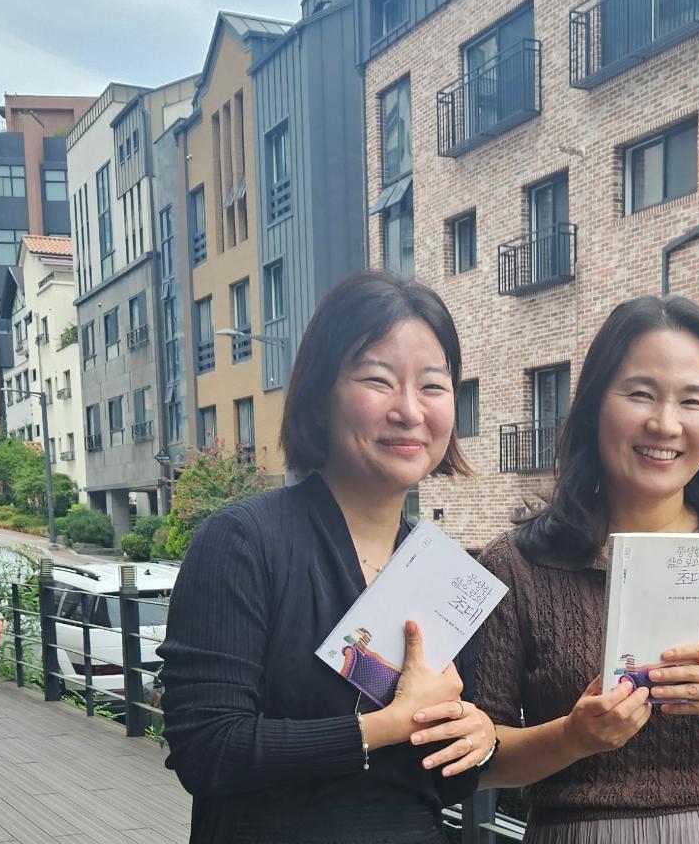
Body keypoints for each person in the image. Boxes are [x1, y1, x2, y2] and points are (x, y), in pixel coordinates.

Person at [474, 295, 699, 843]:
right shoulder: (516, 564)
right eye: (641, 394)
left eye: (692, 400)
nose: (665, 424)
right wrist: (574, 737)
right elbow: (480, 756)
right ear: (595, 403)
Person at [160, 271, 498, 844]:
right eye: (378, 379)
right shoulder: (243, 541)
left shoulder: (445, 573)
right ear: (320, 396)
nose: (409, 410)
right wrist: (385, 726)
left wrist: (476, 736)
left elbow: (444, 786)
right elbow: (208, 750)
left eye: (433, 386)